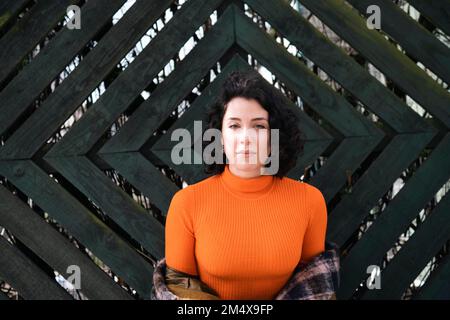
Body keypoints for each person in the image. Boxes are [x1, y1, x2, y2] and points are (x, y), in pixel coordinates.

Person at [163, 70, 330, 300]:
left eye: (259, 126)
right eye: (234, 126)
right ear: (219, 136)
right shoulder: (186, 204)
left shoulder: (310, 201)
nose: (245, 138)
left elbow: (316, 290)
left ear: (275, 138)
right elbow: (178, 293)